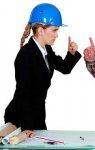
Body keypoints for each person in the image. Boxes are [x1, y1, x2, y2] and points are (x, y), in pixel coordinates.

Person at [4, 3, 81, 137]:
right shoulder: (25, 55)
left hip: (37, 115)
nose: (57, 35)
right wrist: (27, 126)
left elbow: (64, 68)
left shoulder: (46, 49)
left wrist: (71, 53)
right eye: (54, 30)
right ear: (40, 30)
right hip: (20, 118)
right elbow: (24, 93)